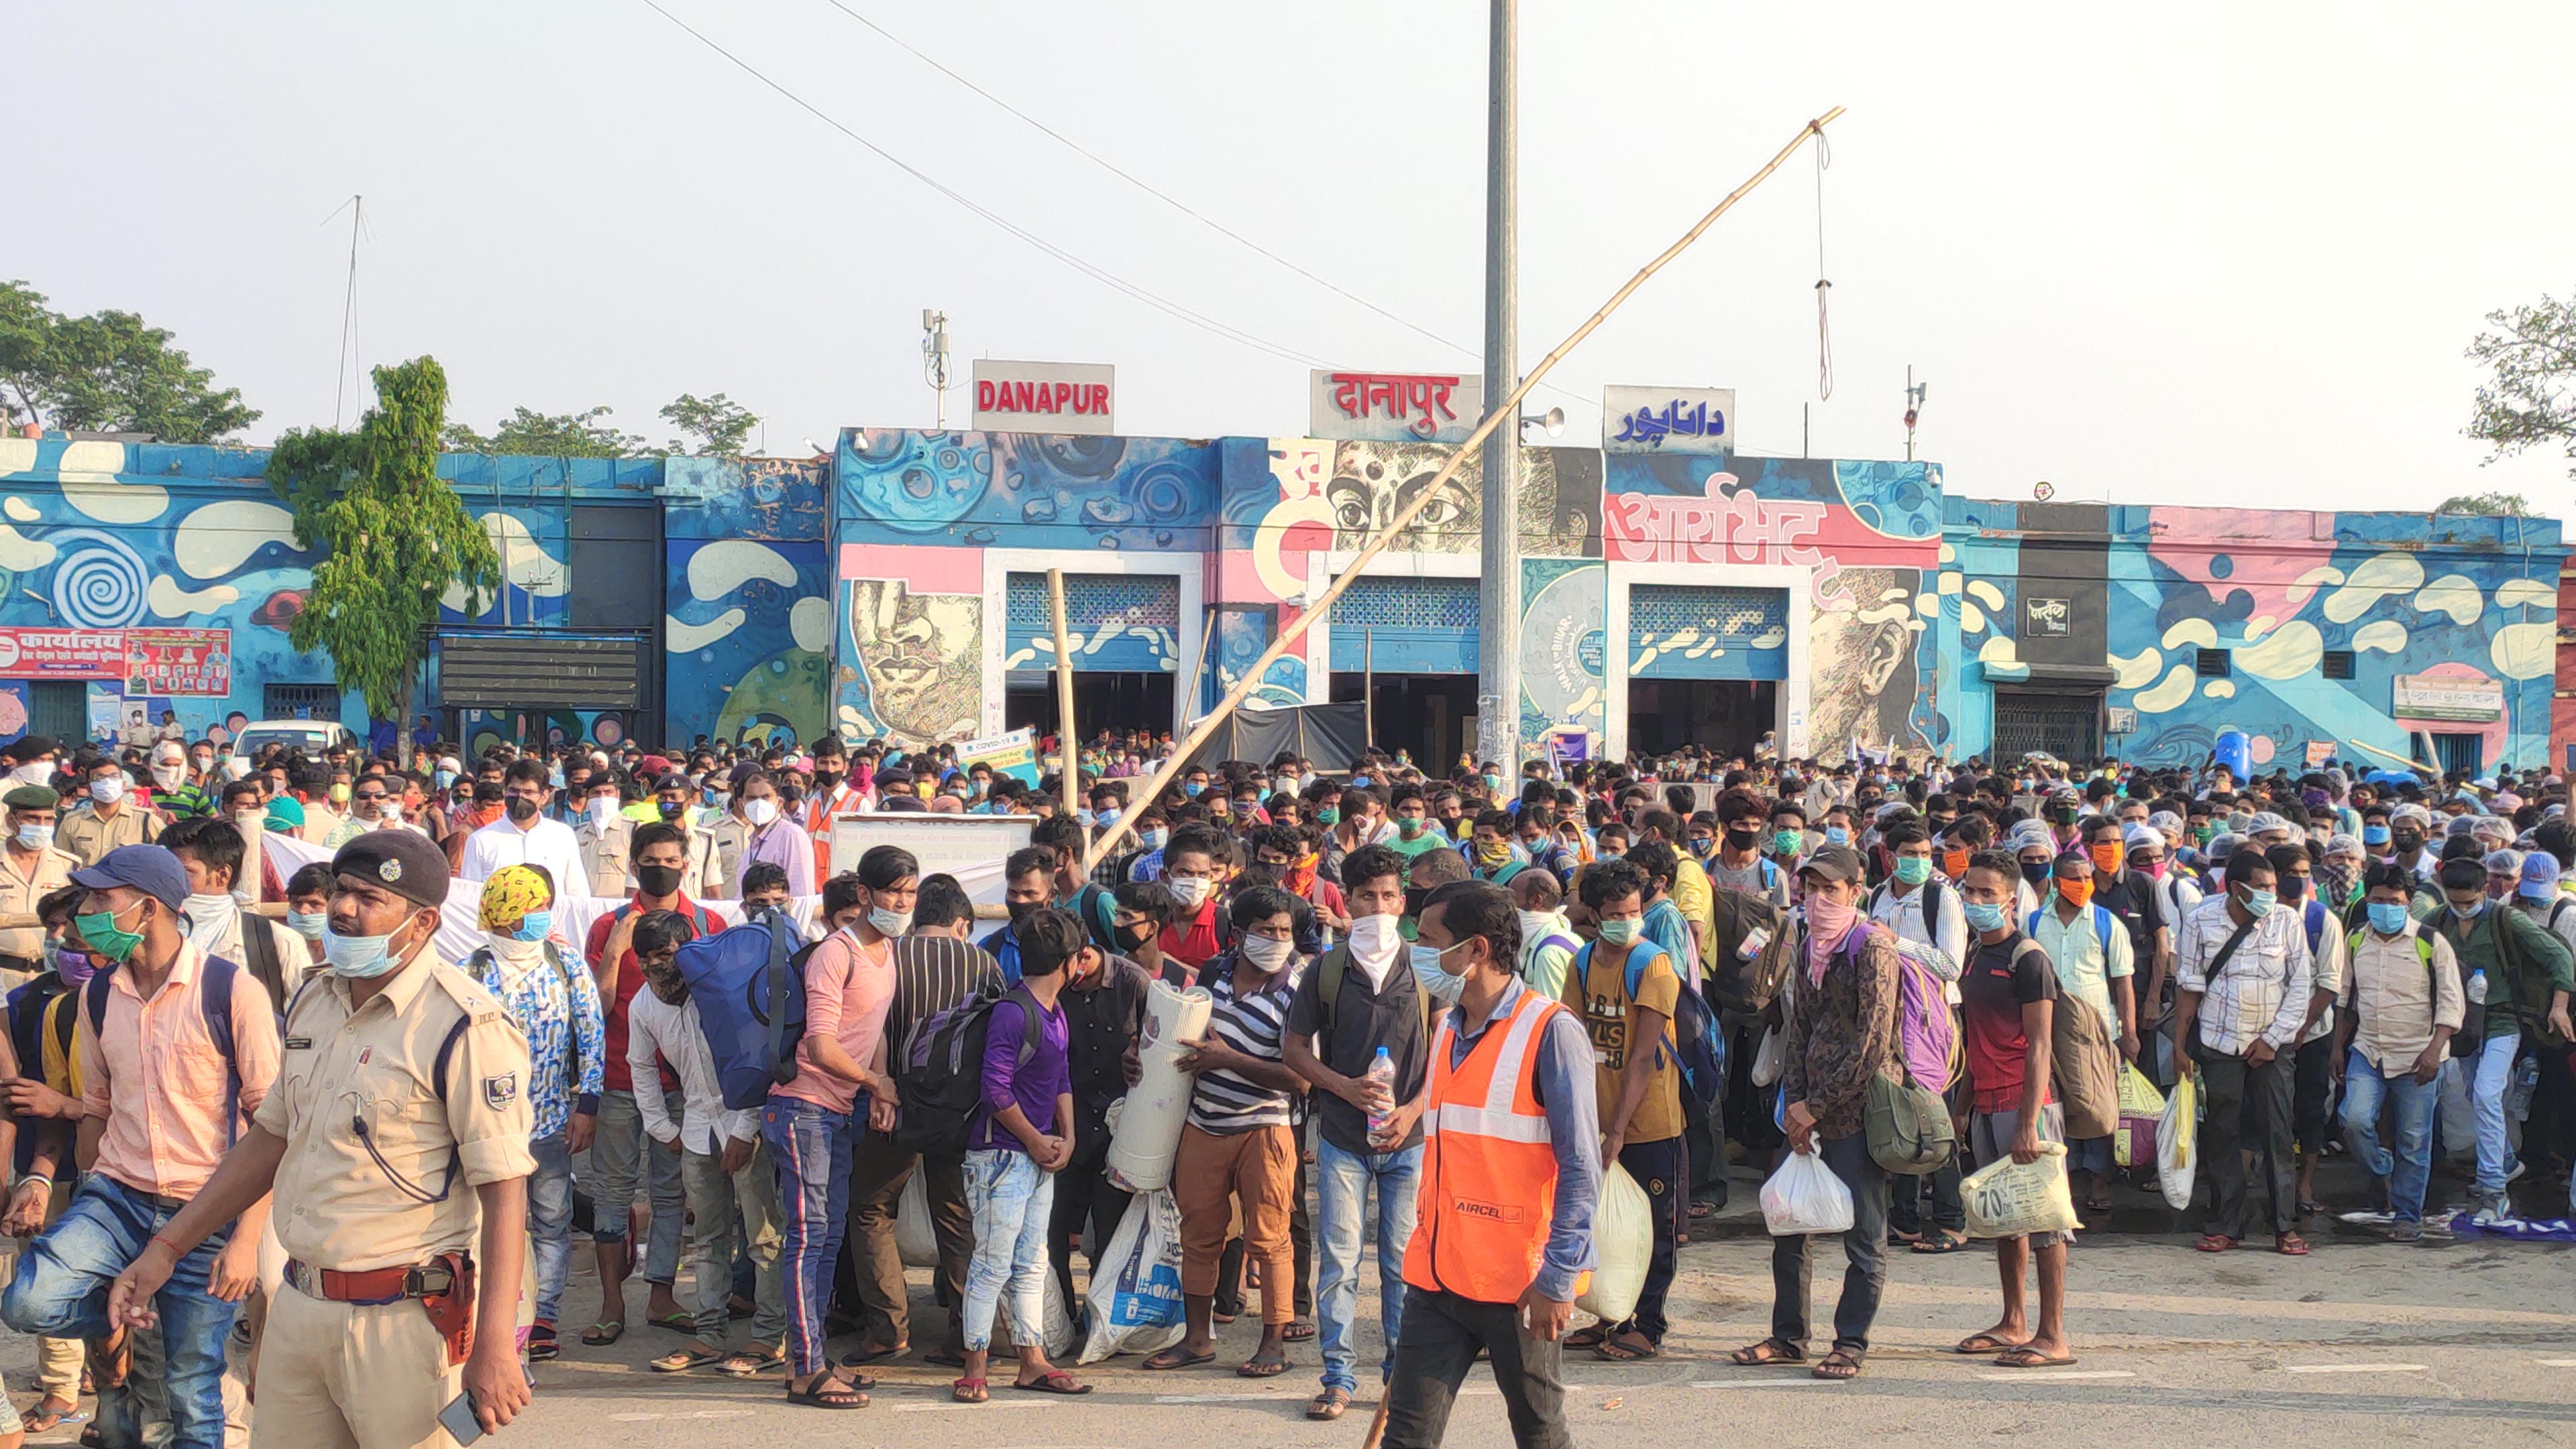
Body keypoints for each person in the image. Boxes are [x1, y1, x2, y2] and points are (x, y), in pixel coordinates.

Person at [96, 830, 535, 1446]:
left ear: (424, 921)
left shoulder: (465, 1025)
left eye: (370, 898)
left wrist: (495, 1346)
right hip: (301, 1305)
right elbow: (269, 1139)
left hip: (404, 1319)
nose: (344, 909)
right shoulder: (314, 998)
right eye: (341, 892)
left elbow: (505, 1191)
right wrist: (167, 1249)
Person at [0, 845, 266, 1449]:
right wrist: (88, 1197)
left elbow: (270, 1127)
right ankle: (142, 1311)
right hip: (118, 1197)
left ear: (148, 910)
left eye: (101, 901)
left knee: (190, 1383)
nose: (84, 916)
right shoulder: (97, 997)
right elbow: (96, 1108)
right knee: (28, 1303)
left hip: (205, 1208)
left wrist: (246, 1238)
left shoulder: (230, 992)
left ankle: (164, 1319)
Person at [1380, 879, 1598, 1449]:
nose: (1415, 949)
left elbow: (1580, 1165)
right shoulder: (1449, 1026)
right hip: (1439, 1273)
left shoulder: (1551, 1031)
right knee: (1408, 1434)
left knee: (1538, 1430)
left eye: (1428, 939)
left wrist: (1558, 1277)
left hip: (1518, 1282)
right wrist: (1408, 1118)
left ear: (1475, 950)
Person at [1733, 844, 1900, 1382]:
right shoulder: (1809, 941)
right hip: (1805, 1110)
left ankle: (1850, 1342)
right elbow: (1799, 1028)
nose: (1820, 898)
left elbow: (1872, 1043)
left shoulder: (1872, 948)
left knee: (1865, 1237)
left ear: (1856, 891)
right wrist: (1797, 1106)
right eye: (1812, 887)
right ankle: (1788, 1336)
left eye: (1832, 889)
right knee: (1788, 1223)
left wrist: (1819, 1105)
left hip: (1856, 1112)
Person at [1283, 844, 1426, 1420]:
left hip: (1408, 1141)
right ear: (1349, 899)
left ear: (1403, 899)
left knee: (1400, 1262)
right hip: (1343, 1137)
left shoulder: (1426, 966)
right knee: (1340, 1261)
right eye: (1367, 896)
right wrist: (1342, 1088)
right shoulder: (1326, 968)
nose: (1379, 906)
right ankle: (1338, 1377)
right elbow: (1294, 1049)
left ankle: (1398, 1376)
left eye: (1389, 895)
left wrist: (1414, 1112)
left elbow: (1450, 1051)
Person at [1145, 884, 1303, 1377]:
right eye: (1265, 930)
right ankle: (1197, 1339)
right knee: (1200, 1233)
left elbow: (1301, 1078)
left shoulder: (1297, 993)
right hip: (1204, 1123)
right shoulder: (1213, 974)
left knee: (1270, 1236)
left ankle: (1273, 1342)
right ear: (1238, 935)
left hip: (1266, 1128)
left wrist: (1227, 1059)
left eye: (1284, 931)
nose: (1276, 939)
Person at [768, 845, 906, 1409]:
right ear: (866, 896)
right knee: (808, 1239)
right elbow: (820, 1045)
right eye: (894, 891)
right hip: (803, 1105)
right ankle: (805, 1368)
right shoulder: (836, 952)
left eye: (910, 891)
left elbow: (870, 1027)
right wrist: (878, 1084)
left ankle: (815, 1360)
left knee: (826, 1239)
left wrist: (874, 1084)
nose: (903, 901)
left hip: (840, 1108)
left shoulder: (887, 951)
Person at [844, 874, 998, 1368]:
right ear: (961, 923)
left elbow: (869, 1028)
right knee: (956, 1218)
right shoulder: (983, 963)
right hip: (960, 1112)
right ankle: (966, 1334)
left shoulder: (889, 956)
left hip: (893, 1104)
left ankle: (889, 1330)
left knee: (871, 1208)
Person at [627, 908, 788, 1375]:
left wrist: (744, 1131)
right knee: (707, 1241)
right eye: (647, 957)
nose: (657, 967)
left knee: (763, 1237)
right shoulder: (644, 1005)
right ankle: (710, 1337)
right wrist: (663, 1129)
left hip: (741, 1121)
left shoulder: (719, 990)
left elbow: (756, 1058)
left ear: (689, 949)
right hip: (695, 1129)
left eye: (665, 955)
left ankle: (769, 1337)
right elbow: (639, 1065)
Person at [462, 864, 605, 1365]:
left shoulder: (564, 963)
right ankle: (498, 1318)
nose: (545, 915)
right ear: (506, 914)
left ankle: (542, 1316)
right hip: (489, 1128)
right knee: (493, 1225)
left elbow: (591, 1034)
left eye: (546, 906)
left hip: (549, 1123)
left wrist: (587, 1104)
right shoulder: (471, 972)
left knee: (552, 1220)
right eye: (534, 907)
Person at [580, 824, 712, 1346]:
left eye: (671, 859)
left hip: (681, 1086)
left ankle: (661, 1294)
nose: (662, 867)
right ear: (634, 866)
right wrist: (616, 949)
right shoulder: (607, 925)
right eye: (651, 859)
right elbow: (600, 1009)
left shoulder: (707, 922)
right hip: (618, 1081)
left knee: (671, 1193)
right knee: (612, 1195)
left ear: (686, 864)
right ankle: (612, 1302)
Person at [953, 907, 1085, 1402]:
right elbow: (995, 1090)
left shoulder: (1048, 1011)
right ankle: (976, 1367)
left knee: (1029, 1261)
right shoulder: (1016, 1012)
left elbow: (1060, 1079)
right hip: (1001, 1158)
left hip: (1029, 1155)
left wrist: (1063, 1138)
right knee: (994, 1264)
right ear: (1069, 963)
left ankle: (1030, 1360)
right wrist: (1040, 1139)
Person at [1951, 852, 2074, 1368]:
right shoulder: (1976, 955)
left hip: (2028, 1107)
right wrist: (1961, 1109)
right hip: (1984, 1102)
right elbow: (1972, 1037)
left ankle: (2053, 1335)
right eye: (1970, 891)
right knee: (2005, 1221)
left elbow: (2040, 1046)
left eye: (1987, 893)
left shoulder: (2029, 960)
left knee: (2045, 1224)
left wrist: (2028, 1123)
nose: (1976, 901)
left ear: (2010, 899)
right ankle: (2013, 1321)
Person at [1561, 861, 1684, 1365]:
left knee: (1652, 1230)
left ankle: (1648, 1326)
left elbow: (1642, 1057)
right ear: (1594, 914)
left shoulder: (1652, 964)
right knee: (1605, 1227)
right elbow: (1572, 1037)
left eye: (1633, 911)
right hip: (1599, 1120)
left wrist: (1616, 1130)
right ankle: (1611, 1317)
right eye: (1615, 913)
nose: (1627, 921)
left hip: (1649, 1123)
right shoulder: (1585, 963)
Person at [2170, 848, 2314, 1254]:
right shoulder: (2200, 920)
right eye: (2264, 886)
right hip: (2219, 1043)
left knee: (2277, 1135)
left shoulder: (2288, 921)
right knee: (2222, 1135)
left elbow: (2301, 984)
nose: (2274, 892)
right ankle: (2225, 1224)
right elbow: (2189, 989)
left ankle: (2285, 1225)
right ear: (2237, 889)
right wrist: (2181, 1048)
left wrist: (2272, 1040)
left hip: (2273, 1045)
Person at [2423, 853, 2573, 1220]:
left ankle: (2493, 1188)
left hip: (2503, 1020)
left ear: (2485, 891)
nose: (2462, 910)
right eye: (2455, 902)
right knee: (2477, 1093)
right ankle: (2505, 1159)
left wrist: (2559, 1006)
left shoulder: (2506, 919)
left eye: (2470, 903)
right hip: (2461, 1023)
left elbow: (2560, 959)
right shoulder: (2436, 920)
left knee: (2489, 1091)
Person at [1042, 891, 1155, 1319]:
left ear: (1081, 955)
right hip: (1064, 1129)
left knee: (1110, 1236)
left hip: (1118, 1131)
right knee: (1052, 1233)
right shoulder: (1051, 987)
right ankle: (1057, 1319)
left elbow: (1160, 1052)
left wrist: (1140, 1058)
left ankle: (1103, 1320)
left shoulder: (1132, 982)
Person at [2337, 862, 2463, 1241]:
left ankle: (2407, 1214)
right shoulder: (2357, 939)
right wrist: (2336, 1049)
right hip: (2368, 1049)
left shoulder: (2430, 942)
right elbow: (2346, 998)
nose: (2385, 907)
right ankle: (2380, 1170)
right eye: (2378, 900)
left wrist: (2434, 1050)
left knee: (2414, 1139)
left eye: (2394, 901)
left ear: (2407, 903)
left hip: (2417, 1055)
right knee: (2354, 1121)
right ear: (2367, 900)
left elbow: (2451, 1004)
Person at [1868, 821, 1968, 1250]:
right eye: (1911, 853)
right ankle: (1905, 1220)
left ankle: (1951, 1220)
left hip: (1933, 1022)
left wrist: (1897, 945)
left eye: (1927, 853)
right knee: (1899, 1114)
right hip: (1890, 1020)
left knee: (1934, 1115)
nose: (1921, 861)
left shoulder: (1940, 897)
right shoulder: (1877, 895)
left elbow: (1951, 965)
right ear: (1890, 856)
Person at [2022, 850, 2131, 1215]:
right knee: (2054, 1107)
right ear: (2056, 882)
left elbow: (2122, 981)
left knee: (2097, 1107)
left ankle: (2099, 1180)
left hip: (2093, 1033)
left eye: (2087, 878)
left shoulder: (2106, 923)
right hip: (2047, 1031)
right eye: (2074, 878)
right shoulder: (2036, 923)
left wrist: (2128, 1032)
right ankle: (2062, 1183)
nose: (2083, 885)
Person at [160, 816, 308, 1018]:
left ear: (222, 875)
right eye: (166, 872)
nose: (171, 882)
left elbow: (309, 1023)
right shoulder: (145, 937)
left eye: (185, 872)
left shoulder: (275, 941)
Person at [462, 758, 591, 897]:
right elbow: (470, 897)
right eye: (514, 791)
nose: (520, 797)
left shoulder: (563, 835)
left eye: (528, 792)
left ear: (544, 796)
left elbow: (577, 893)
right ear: (505, 792)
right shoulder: (481, 840)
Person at [0, 786, 73, 979]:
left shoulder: (69, 865)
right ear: (11, 821)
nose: (41, 825)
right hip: (4, 972)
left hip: (50, 975)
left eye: (48, 819)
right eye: (32, 818)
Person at [56, 759, 160, 867]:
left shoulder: (146, 820)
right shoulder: (72, 822)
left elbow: (164, 860)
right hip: (88, 883)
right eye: (99, 778)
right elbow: (61, 864)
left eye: (114, 777)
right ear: (89, 788)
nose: (107, 782)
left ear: (123, 785)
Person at [574, 772, 635, 897]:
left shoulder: (633, 831)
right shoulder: (577, 834)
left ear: (617, 795)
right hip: (583, 908)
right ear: (588, 797)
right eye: (596, 793)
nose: (602, 798)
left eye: (608, 792)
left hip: (617, 908)